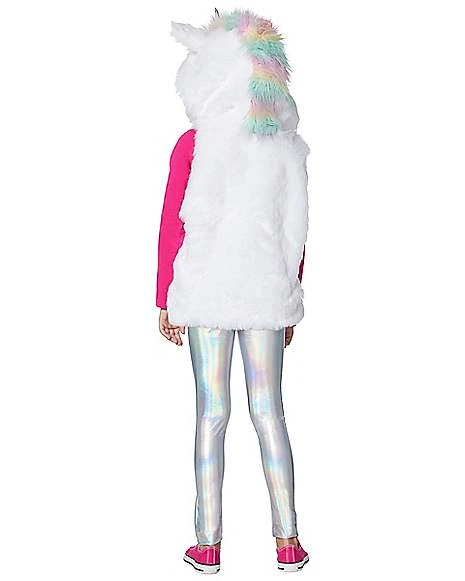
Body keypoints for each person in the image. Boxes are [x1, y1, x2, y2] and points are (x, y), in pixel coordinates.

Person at [156, 10, 310, 573]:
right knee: (269, 411)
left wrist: (164, 296)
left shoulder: (193, 144)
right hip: (265, 290)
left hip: (204, 291)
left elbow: (172, 224)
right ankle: (288, 541)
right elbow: (296, 230)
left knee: (211, 413)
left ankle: (208, 544)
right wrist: (291, 294)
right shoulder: (285, 146)